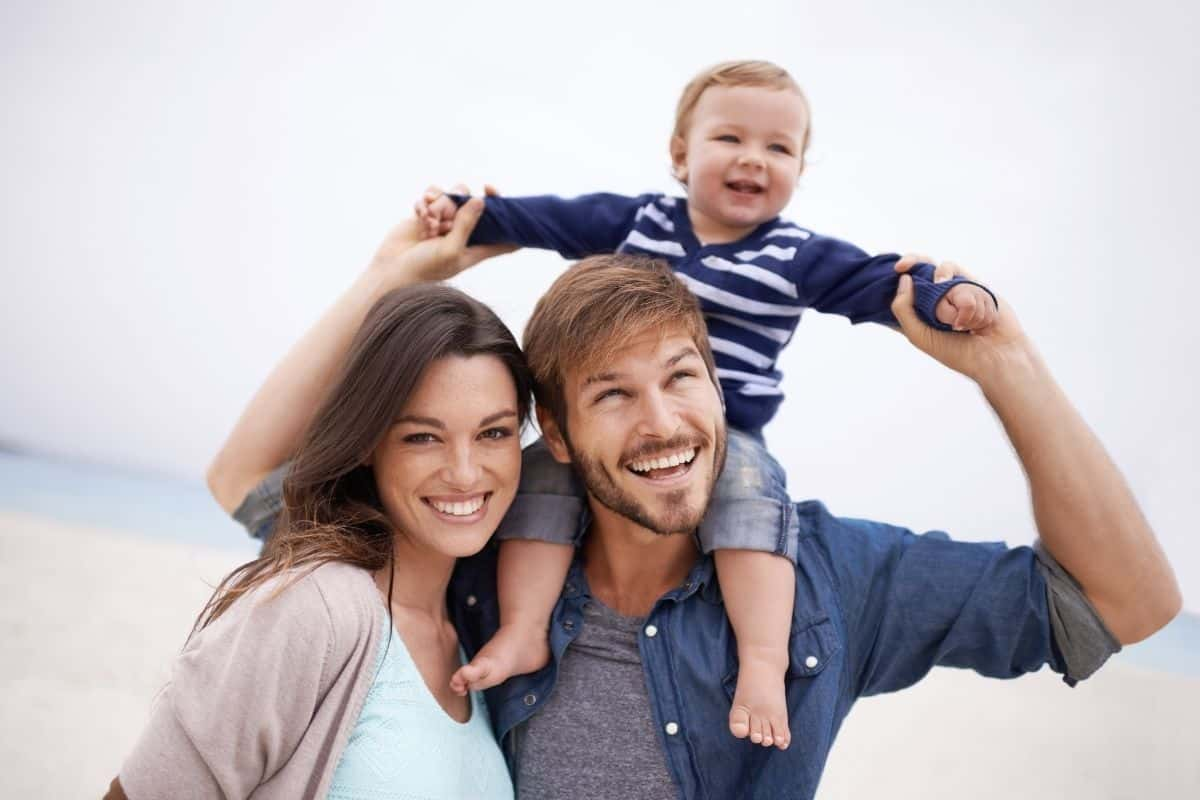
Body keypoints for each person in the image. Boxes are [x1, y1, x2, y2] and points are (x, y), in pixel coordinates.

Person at [230, 220, 1179, 798]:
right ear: (554, 433)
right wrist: (386, 279)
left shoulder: (829, 578)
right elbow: (253, 480)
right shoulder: (475, 558)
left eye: (682, 377)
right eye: (611, 395)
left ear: (719, 386)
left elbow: (1124, 604)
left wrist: (1001, 362)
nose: (661, 424)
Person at [412, 59, 1000, 749]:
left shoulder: (796, 256)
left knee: (751, 504)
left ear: (800, 170)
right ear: (681, 154)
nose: (754, 158)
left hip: (730, 435)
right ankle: (522, 631)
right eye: (731, 139)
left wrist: (945, 295)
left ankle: (761, 662)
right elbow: (545, 218)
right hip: (618, 432)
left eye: (779, 148)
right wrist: (467, 215)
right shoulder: (637, 222)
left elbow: (881, 284)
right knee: (542, 474)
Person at [106, 200, 525, 800]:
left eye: (493, 432)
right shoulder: (318, 610)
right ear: (367, 446)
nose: (464, 472)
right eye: (422, 436)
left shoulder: (480, 632)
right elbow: (240, 475)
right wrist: (389, 274)